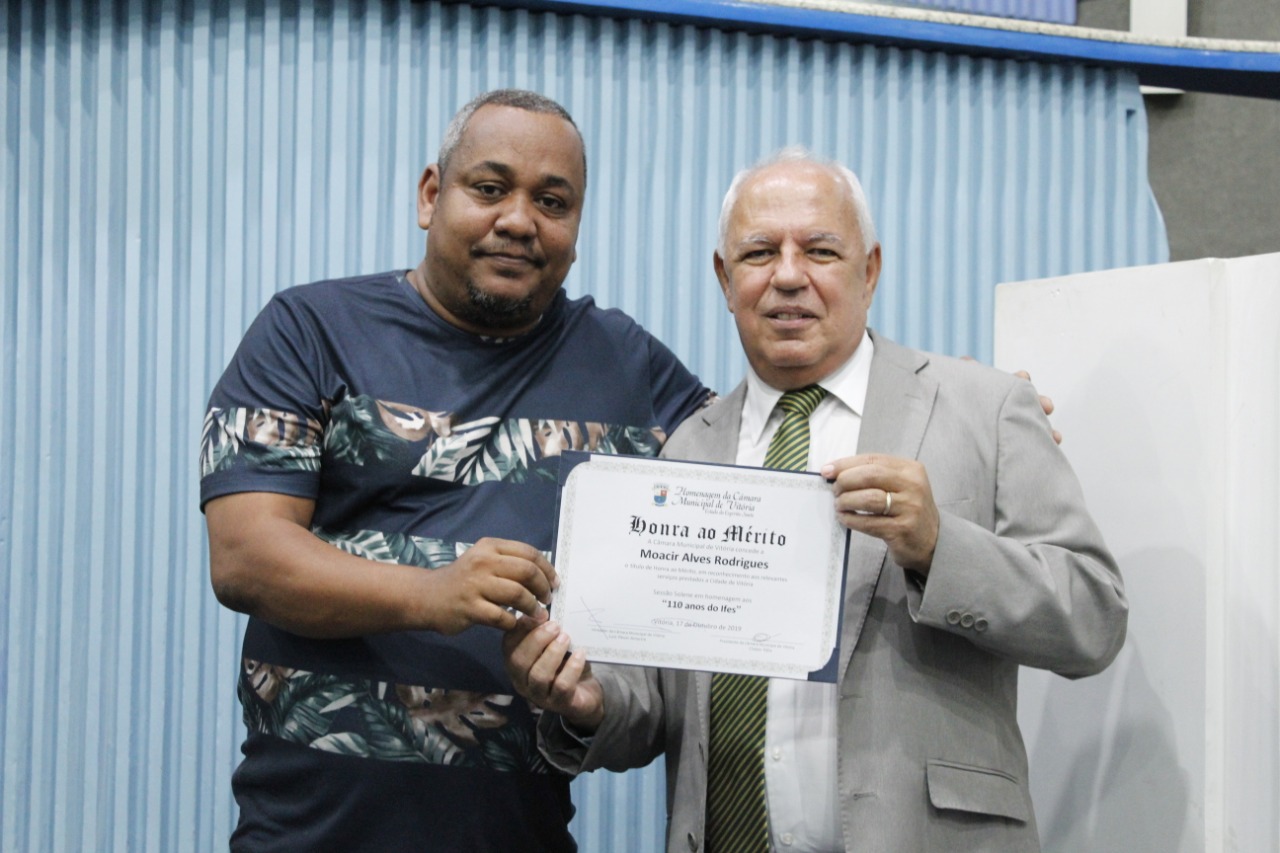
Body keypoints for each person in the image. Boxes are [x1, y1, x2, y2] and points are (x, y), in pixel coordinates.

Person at [505, 149, 1128, 852]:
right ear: (725, 278)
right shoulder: (686, 451)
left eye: (821, 251)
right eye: (759, 253)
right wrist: (589, 702)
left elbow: (1095, 617)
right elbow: (654, 703)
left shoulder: (986, 407)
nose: (788, 275)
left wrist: (938, 547)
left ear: (870, 270)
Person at [199, 89, 713, 851]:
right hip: (308, 830)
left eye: (553, 201)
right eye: (490, 187)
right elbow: (245, 559)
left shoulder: (626, 363)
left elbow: (754, 476)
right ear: (430, 195)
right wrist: (434, 593)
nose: (519, 220)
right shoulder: (308, 331)